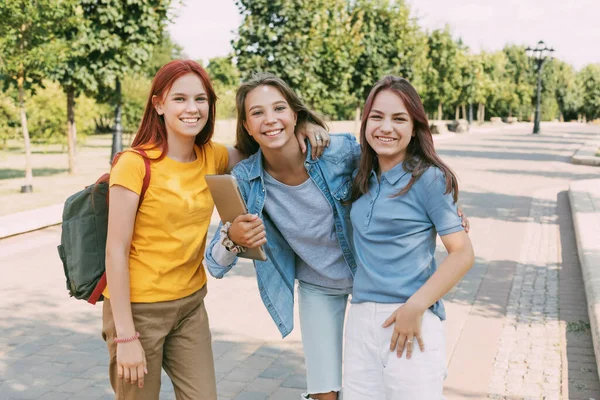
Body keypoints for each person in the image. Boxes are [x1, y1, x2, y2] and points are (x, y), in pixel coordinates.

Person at [102, 61, 327, 400]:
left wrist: (304, 125)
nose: (192, 109)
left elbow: (265, 147)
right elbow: (115, 251)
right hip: (138, 310)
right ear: (159, 104)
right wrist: (125, 336)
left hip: (190, 306)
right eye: (179, 99)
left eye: (200, 99)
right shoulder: (135, 164)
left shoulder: (213, 155)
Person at [205, 72, 358, 400]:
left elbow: (397, 177)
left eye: (279, 109)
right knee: (323, 391)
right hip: (319, 286)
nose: (270, 120)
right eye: (257, 113)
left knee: (371, 383)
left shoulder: (339, 152)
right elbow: (215, 266)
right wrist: (233, 236)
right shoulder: (245, 179)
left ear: (294, 115)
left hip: (369, 279)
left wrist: (443, 213)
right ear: (246, 126)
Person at [343, 76, 475, 399]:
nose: (386, 127)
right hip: (360, 319)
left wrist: (415, 306)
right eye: (377, 117)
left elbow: (462, 254)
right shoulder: (360, 177)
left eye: (399, 119)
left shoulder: (429, 179)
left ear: (414, 128)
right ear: (365, 123)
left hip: (411, 318)